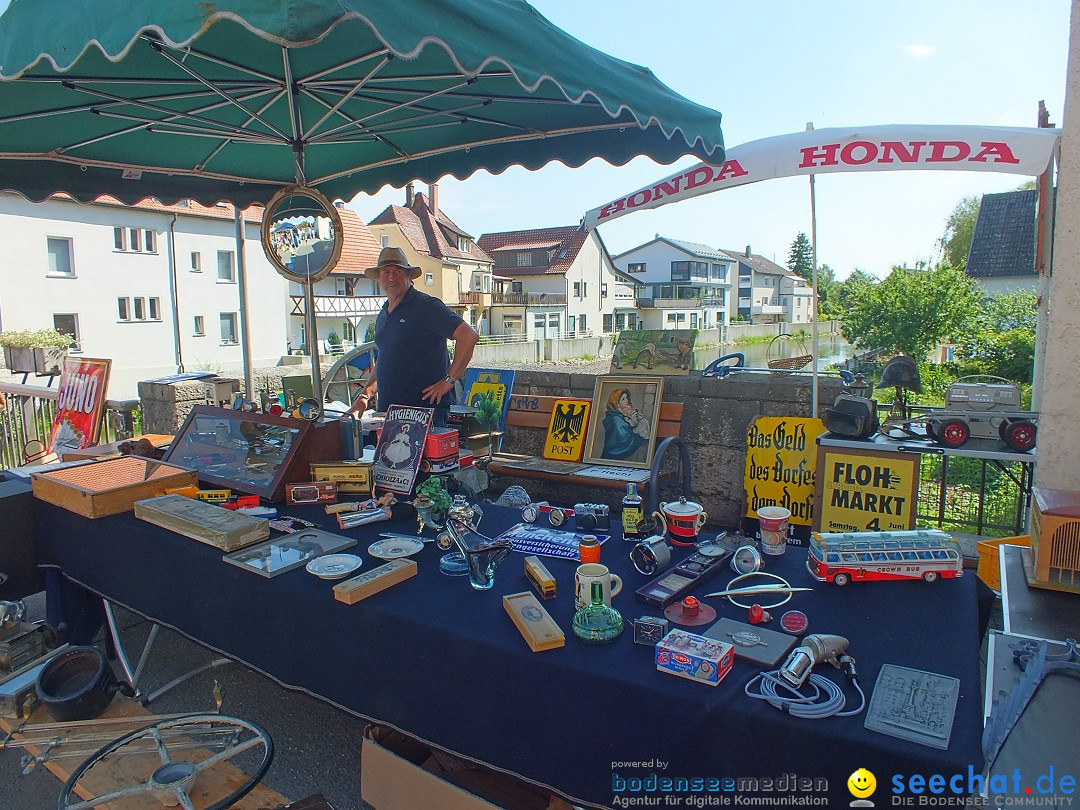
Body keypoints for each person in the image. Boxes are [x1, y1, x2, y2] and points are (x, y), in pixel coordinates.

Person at [349, 247, 478, 425]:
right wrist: (365, 395)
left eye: (398, 271)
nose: (392, 277)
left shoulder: (426, 306)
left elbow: (468, 336)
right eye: (386, 272)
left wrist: (448, 381)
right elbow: (385, 358)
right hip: (391, 412)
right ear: (379, 278)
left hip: (426, 412)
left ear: (410, 276)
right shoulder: (383, 314)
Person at [601, 387, 651, 461]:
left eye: (627, 398)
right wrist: (640, 440)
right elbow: (624, 438)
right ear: (616, 402)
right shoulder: (615, 419)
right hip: (615, 455)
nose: (627, 401)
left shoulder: (623, 415)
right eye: (623, 399)